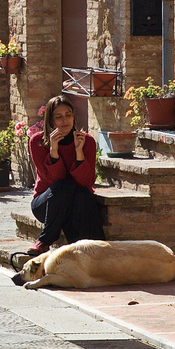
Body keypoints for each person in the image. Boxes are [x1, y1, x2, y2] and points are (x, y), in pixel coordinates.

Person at [24, 94, 104, 256]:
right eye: (58, 117)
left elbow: (86, 182)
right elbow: (53, 180)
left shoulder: (86, 141)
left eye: (68, 115)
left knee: (82, 193)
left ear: (74, 116)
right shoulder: (37, 142)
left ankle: (83, 250)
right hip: (46, 204)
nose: (64, 121)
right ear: (50, 121)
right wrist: (53, 150)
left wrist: (79, 152)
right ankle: (48, 239)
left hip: (74, 202)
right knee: (66, 185)